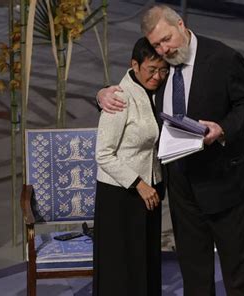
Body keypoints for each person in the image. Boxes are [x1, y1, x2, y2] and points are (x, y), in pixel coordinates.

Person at [97, 5, 244, 295]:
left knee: (237, 270)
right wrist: (101, 94)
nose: (164, 49)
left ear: (181, 24)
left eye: (167, 39)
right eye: (157, 45)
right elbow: (135, 82)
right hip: (180, 183)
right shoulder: (162, 67)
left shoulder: (222, 58)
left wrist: (222, 129)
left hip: (221, 179)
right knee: (194, 270)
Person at [93, 37, 169, 296]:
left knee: (145, 262)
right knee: (122, 267)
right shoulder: (118, 98)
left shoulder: (157, 92)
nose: (158, 76)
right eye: (151, 70)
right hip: (122, 195)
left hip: (150, 191)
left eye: (162, 69)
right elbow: (103, 154)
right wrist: (139, 183)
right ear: (134, 65)